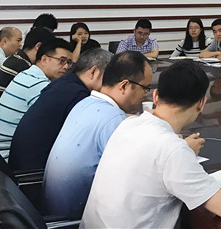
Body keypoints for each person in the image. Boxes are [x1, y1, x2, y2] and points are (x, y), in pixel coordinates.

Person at [81, 61, 221, 228]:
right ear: (201, 103)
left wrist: (182, 150)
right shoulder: (173, 150)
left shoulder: (129, 123)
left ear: (156, 96)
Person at [43, 50, 152, 218]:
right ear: (123, 86)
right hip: (75, 218)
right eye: (145, 88)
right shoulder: (114, 121)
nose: (146, 94)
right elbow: (137, 177)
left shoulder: (85, 103)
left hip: (52, 209)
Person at [9, 48, 112, 173]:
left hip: (20, 165)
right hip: (35, 173)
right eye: (109, 79)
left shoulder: (63, 83)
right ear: (94, 72)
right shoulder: (78, 96)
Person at [0, 38, 72, 151]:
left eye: (69, 62)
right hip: (10, 153)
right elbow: (56, 124)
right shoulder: (39, 85)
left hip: (0, 147)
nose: (66, 67)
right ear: (44, 59)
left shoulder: (26, 74)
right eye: (62, 61)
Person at [0, 27, 54, 125]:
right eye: (49, 53)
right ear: (38, 46)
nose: (20, 45)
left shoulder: (17, 59)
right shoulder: (23, 67)